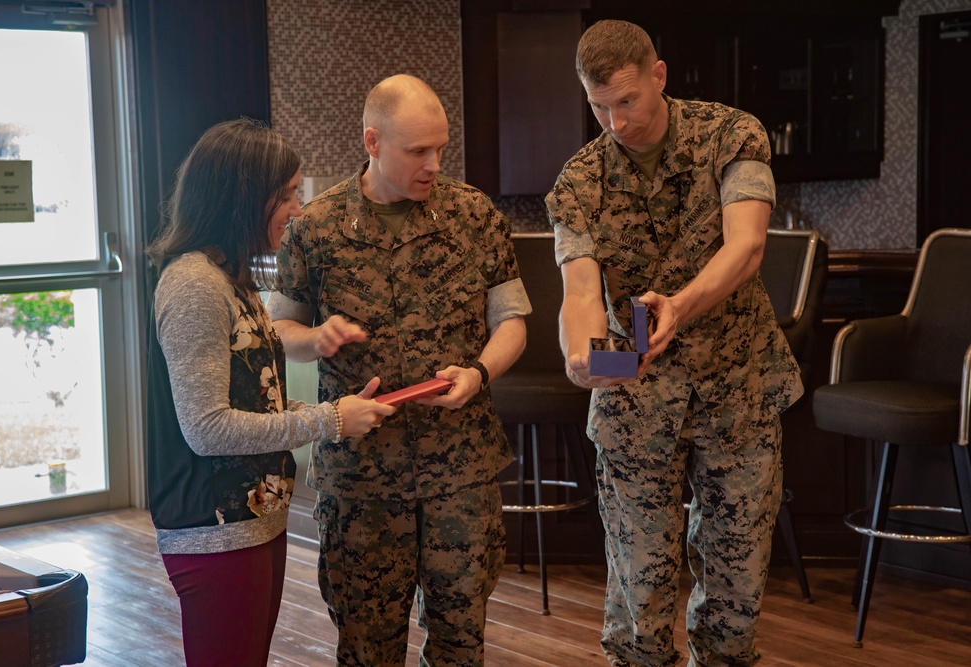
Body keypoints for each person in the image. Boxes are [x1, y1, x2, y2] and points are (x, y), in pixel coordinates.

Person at [546, 20, 804, 667]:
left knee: (736, 584)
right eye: (598, 105)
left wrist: (679, 305)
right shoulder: (578, 182)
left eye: (626, 101)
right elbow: (579, 290)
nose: (615, 121)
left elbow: (746, 246)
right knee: (640, 583)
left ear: (658, 76)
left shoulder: (732, 135)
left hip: (737, 387)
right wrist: (580, 356)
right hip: (638, 396)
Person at [267, 74, 530, 666]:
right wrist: (316, 336)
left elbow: (512, 322)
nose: (434, 163)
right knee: (367, 649)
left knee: (461, 645)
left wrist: (479, 373)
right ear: (373, 142)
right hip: (362, 479)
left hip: (459, 469)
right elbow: (279, 333)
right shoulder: (316, 227)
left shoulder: (474, 216)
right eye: (418, 151)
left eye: (441, 148)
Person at [145, 118, 395, 667]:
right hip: (213, 530)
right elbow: (207, 429)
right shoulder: (194, 285)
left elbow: (259, 405)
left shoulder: (231, 278)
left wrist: (344, 413)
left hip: (253, 521)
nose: (297, 212)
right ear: (243, 198)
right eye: (285, 196)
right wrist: (327, 420)